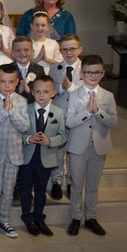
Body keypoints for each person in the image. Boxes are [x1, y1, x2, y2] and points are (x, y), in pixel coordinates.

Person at [66, 55, 118, 237]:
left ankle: (91, 217)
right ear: (81, 73)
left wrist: (98, 111)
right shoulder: (74, 95)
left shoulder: (108, 96)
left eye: (96, 72)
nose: (92, 75)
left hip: (99, 146)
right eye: (88, 72)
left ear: (102, 73)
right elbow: (69, 122)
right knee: (77, 183)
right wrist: (87, 113)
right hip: (78, 146)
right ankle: (75, 217)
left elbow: (113, 122)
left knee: (93, 185)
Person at [0, 64, 30, 240]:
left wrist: (12, 112)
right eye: (3, 81)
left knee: (8, 190)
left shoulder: (22, 101)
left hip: (14, 153)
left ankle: (4, 219)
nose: (7, 85)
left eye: (11, 82)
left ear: (17, 82)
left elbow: (25, 126)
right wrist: (4, 111)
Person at [19, 75, 67, 237]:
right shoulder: (25, 109)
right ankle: (27, 218)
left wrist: (50, 141)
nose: (41, 95)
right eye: (38, 91)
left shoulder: (58, 113)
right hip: (27, 159)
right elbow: (17, 134)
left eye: (46, 91)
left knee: (41, 191)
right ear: (32, 92)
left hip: (46, 160)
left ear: (53, 93)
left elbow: (63, 136)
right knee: (25, 190)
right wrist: (28, 138)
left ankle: (39, 217)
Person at [48, 34, 84, 200]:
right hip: (59, 113)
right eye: (65, 49)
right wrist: (61, 89)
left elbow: (86, 92)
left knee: (72, 151)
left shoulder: (86, 68)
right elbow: (50, 91)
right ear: (60, 50)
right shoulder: (55, 68)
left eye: (72, 49)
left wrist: (70, 87)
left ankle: (71, 182)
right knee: (57, 149)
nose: (69, 53)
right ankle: (56, 180)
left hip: (78, 116)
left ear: (79, 49)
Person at [11, 36, 45, 104]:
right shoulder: (7, 69)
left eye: (26, 50)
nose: (22, 53)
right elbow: (1, 92)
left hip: (32, 107)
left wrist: (29, 91)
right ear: (12, 53)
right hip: (12, 107)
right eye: (18, 50)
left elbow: (43, 92)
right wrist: (18, 91)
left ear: (32, 52)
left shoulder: (39, 70)